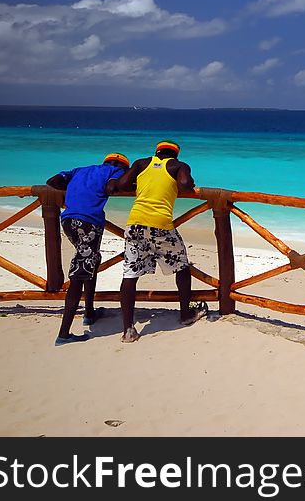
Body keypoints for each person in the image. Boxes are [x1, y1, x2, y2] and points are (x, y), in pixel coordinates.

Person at [114, 140, 206, 342]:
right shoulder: (178, 166)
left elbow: (121, 184)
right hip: (160, 226)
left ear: (156, 151)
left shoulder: (141, 163)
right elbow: (184, 184)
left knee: (130, 274)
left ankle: (128, 330)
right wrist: (187, 183)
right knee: (182, 266)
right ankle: (185, 314)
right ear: (176, 154)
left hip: (135, 224)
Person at [46, 152, 130, 346]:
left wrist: (74, 193)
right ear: (121, 166)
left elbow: (52, 181)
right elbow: (111, 187)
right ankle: (64, 333)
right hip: (88, 222)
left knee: (90, 263)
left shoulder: (79, 170)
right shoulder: (115, 171)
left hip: (68, 220)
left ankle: (89, 312)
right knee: (79, 273)